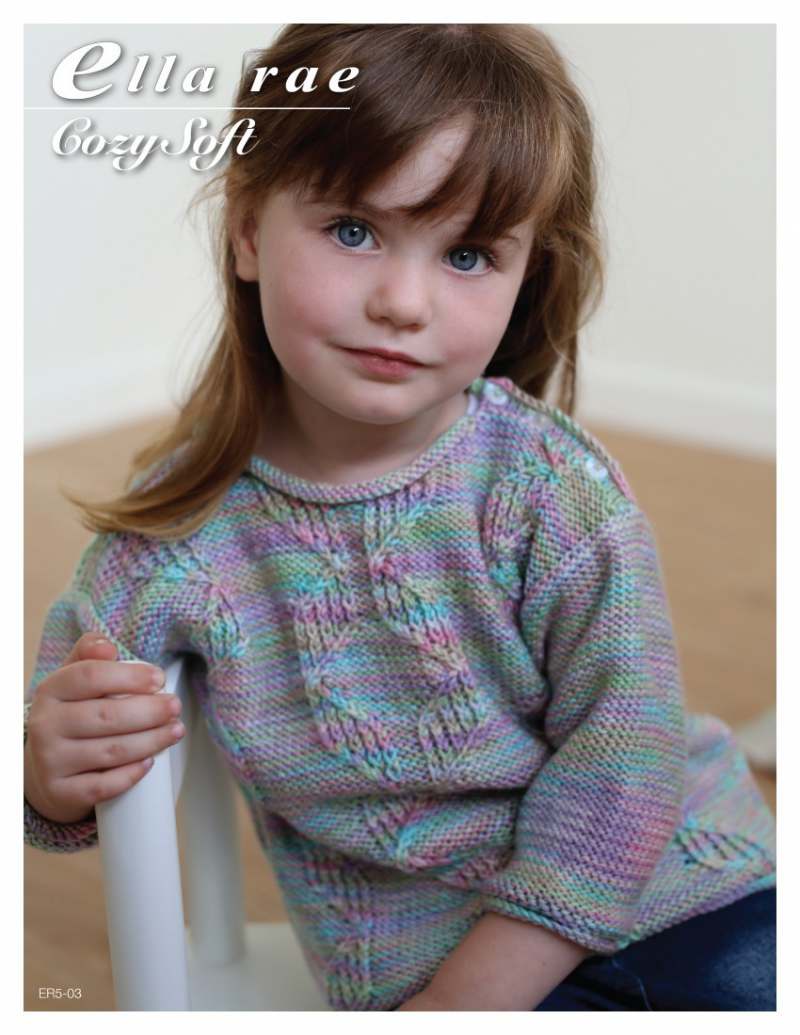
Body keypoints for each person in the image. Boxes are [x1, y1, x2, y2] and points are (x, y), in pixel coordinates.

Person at [23, 24, 776, 1011]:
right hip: (419, 956)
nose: (403, 302)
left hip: (679, 882)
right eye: (352, 231)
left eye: (467, 254)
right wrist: (47, 768)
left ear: (525, 275)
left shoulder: (550, 488)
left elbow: (623, 758)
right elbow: (64, 753)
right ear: (247, 231)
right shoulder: (176, 536)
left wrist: (470, 1001)